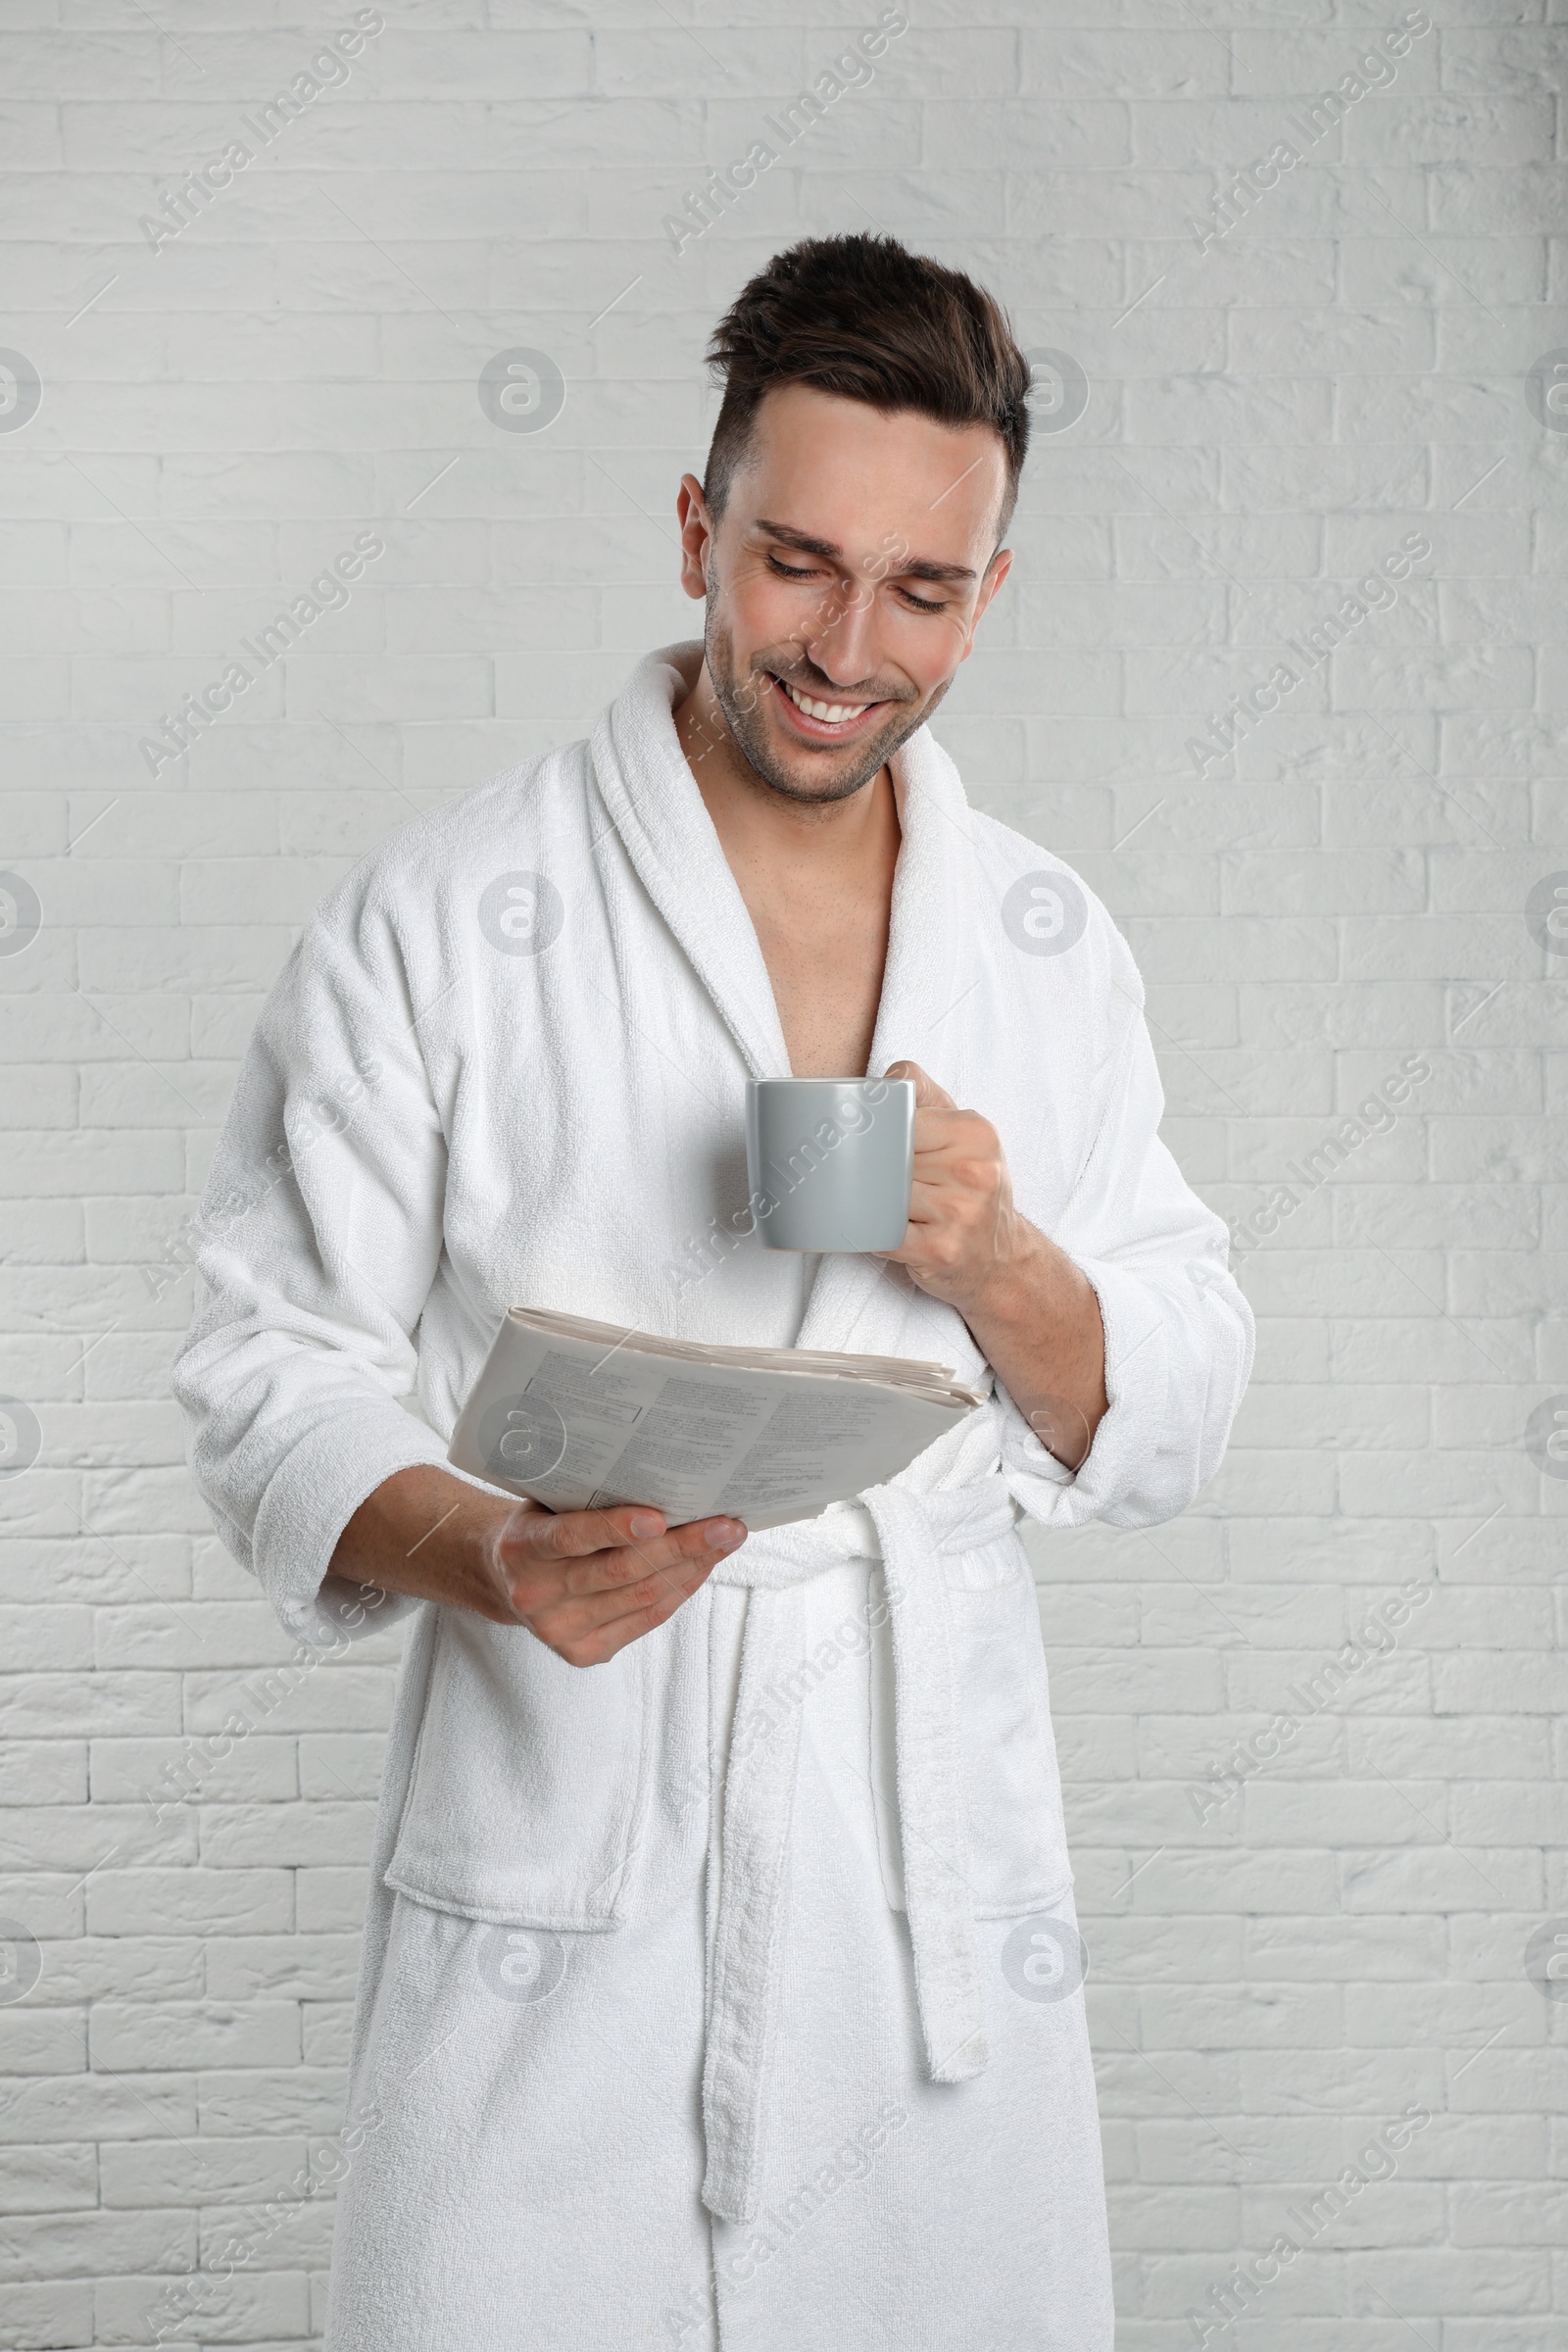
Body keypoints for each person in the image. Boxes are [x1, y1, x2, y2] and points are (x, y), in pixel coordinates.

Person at [174, 232, 1253, 2352]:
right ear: (695, 527)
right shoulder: (443, 918)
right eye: (795, 564)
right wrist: (484, 1554)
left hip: (910, 1881)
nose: (847, 647)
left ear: (986, 594)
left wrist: (998, 1263)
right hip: (560, 1861)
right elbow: (267, 1362)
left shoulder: (1042, 941)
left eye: (921, 591)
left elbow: (1183, 1384)